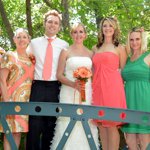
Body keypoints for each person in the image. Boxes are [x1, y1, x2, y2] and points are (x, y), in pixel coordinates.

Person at [50, 22, 100, 150]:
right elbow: (59, 75)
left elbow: (94, 76)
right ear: (71, 34)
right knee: (67, 120)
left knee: (86, 120)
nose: (78, 34)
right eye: (75, 32)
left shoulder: (90, 53)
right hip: (68, 91)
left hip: (86, 93)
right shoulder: (65, 51)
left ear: (85, 35)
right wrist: (73, 84)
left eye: (81, 32)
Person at [26, 10, 69, 150]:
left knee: (50, 125)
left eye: (56, 23)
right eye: (50, 21)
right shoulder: (33, 43)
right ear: (45, 23)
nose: (52, 25)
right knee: (34, 125)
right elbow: (24, 62)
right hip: (37, 86)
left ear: (59, 27)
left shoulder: (64, 45)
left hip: (54, 87)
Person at [92, 17, 127, 150]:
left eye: (110, 26)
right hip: (97, 89)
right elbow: (92, 70)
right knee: (101, 125)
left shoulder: (120, 48)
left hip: (113, 89)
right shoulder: (95, 48)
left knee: (112, 125)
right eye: (105, 26)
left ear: (115, 29)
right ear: (101, 29)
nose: (107, 28)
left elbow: (123, 72)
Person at [0, 28, 34, 150]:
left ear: (29, 40)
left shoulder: (31, 59)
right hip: (10, 99)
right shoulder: (9, 56)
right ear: (14, 39)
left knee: (18, 132)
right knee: (8, 132)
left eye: (24, 37)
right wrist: (6, 102)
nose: (21, 40)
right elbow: (2, 80)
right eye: (18, 37)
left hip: (24, 102)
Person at [121, 27, 150, 150]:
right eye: (131, 39)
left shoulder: (148, 56)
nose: (134, 42)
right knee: (129, 139)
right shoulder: (126, 60)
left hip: (145, 101)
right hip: (129, 102)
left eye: (137, 39)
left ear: (142, 40)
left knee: (144, 139)